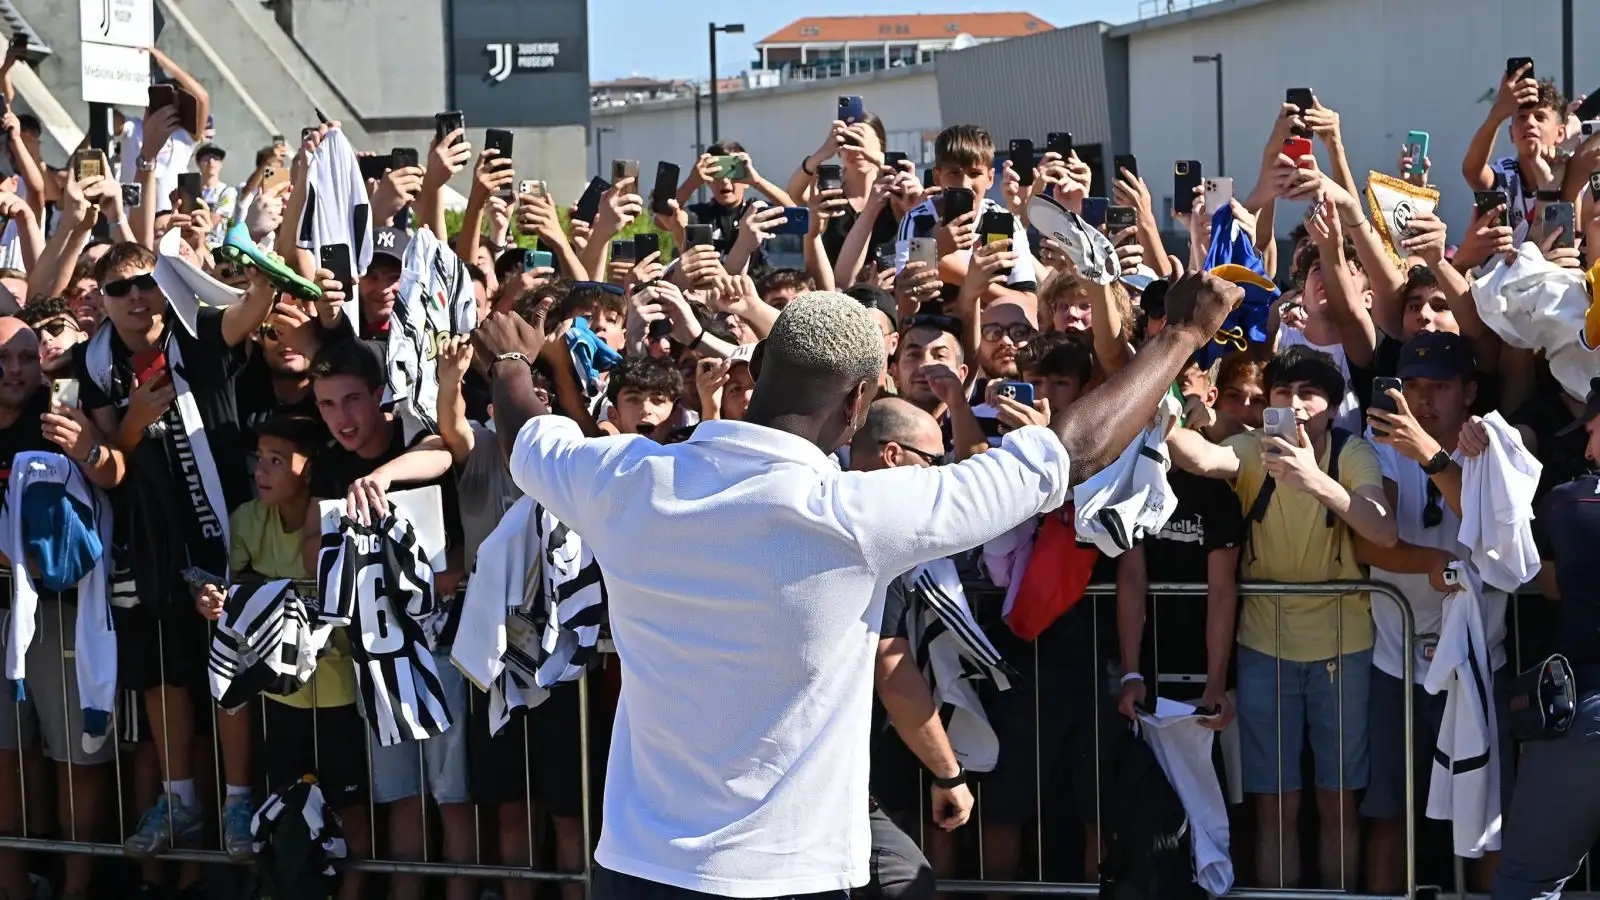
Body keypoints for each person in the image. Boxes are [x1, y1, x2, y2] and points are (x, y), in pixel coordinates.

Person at [472, 264, 1238, 897]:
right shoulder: (860, 512)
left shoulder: (626, 477)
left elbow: (525, 437)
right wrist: (1182, 333)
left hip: (639, 868)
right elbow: (1072, 451)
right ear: (860, 401)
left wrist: (510, 361)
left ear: (759, 370)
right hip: (792, 874)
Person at [1168, 344, 1398, 890]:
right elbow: (1198, 459)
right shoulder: (1251, 448)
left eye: (1309, 393)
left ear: (1333, 405)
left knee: (1337, 801)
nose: (1295, 404)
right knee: (1277, 806)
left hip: (1345, 647)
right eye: (1283, 393)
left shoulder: (1353, 453)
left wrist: (1312, 478)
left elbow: (1383, 529)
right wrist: (1169, 405)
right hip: (1263, 646)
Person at [0, 318, 115, 900]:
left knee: (75, 756)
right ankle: (13, 884)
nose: (15, 371)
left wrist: (87, 446)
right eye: (3, 361)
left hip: (62, 609)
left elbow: (113, 474)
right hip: (4, 611)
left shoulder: (60, 413)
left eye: (24, 357)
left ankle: (76, 889)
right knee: (5, 757)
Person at [1492, 378, 1600, 900]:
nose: (1587, 447)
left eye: (1595, 430)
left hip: (1587, 716)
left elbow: (1548, 583)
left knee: (1528, 883)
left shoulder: (1567, 501)